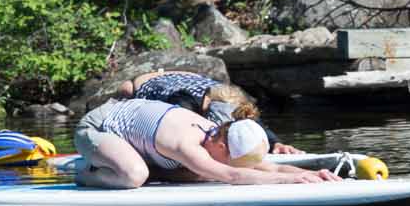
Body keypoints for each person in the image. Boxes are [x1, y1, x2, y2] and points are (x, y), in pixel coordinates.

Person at [72, 98, 341, 190]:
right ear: (223, 146)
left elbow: (268, 167)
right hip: (97, 127)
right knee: (134, 176)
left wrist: (309, 175)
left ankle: (125, 163)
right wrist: (290, 183)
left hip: (134, 128)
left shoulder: (221, 135)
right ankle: (86, 174)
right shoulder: (186, 144)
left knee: (198, 174)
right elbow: (232, 174)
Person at [118, 69, 302, 154]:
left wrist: (276, 143)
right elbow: (177, 135)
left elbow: (254, 125)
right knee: (126, 89)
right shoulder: (183, 102)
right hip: (152, 79)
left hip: (190, 76)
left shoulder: (235, 106)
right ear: (207, 103)